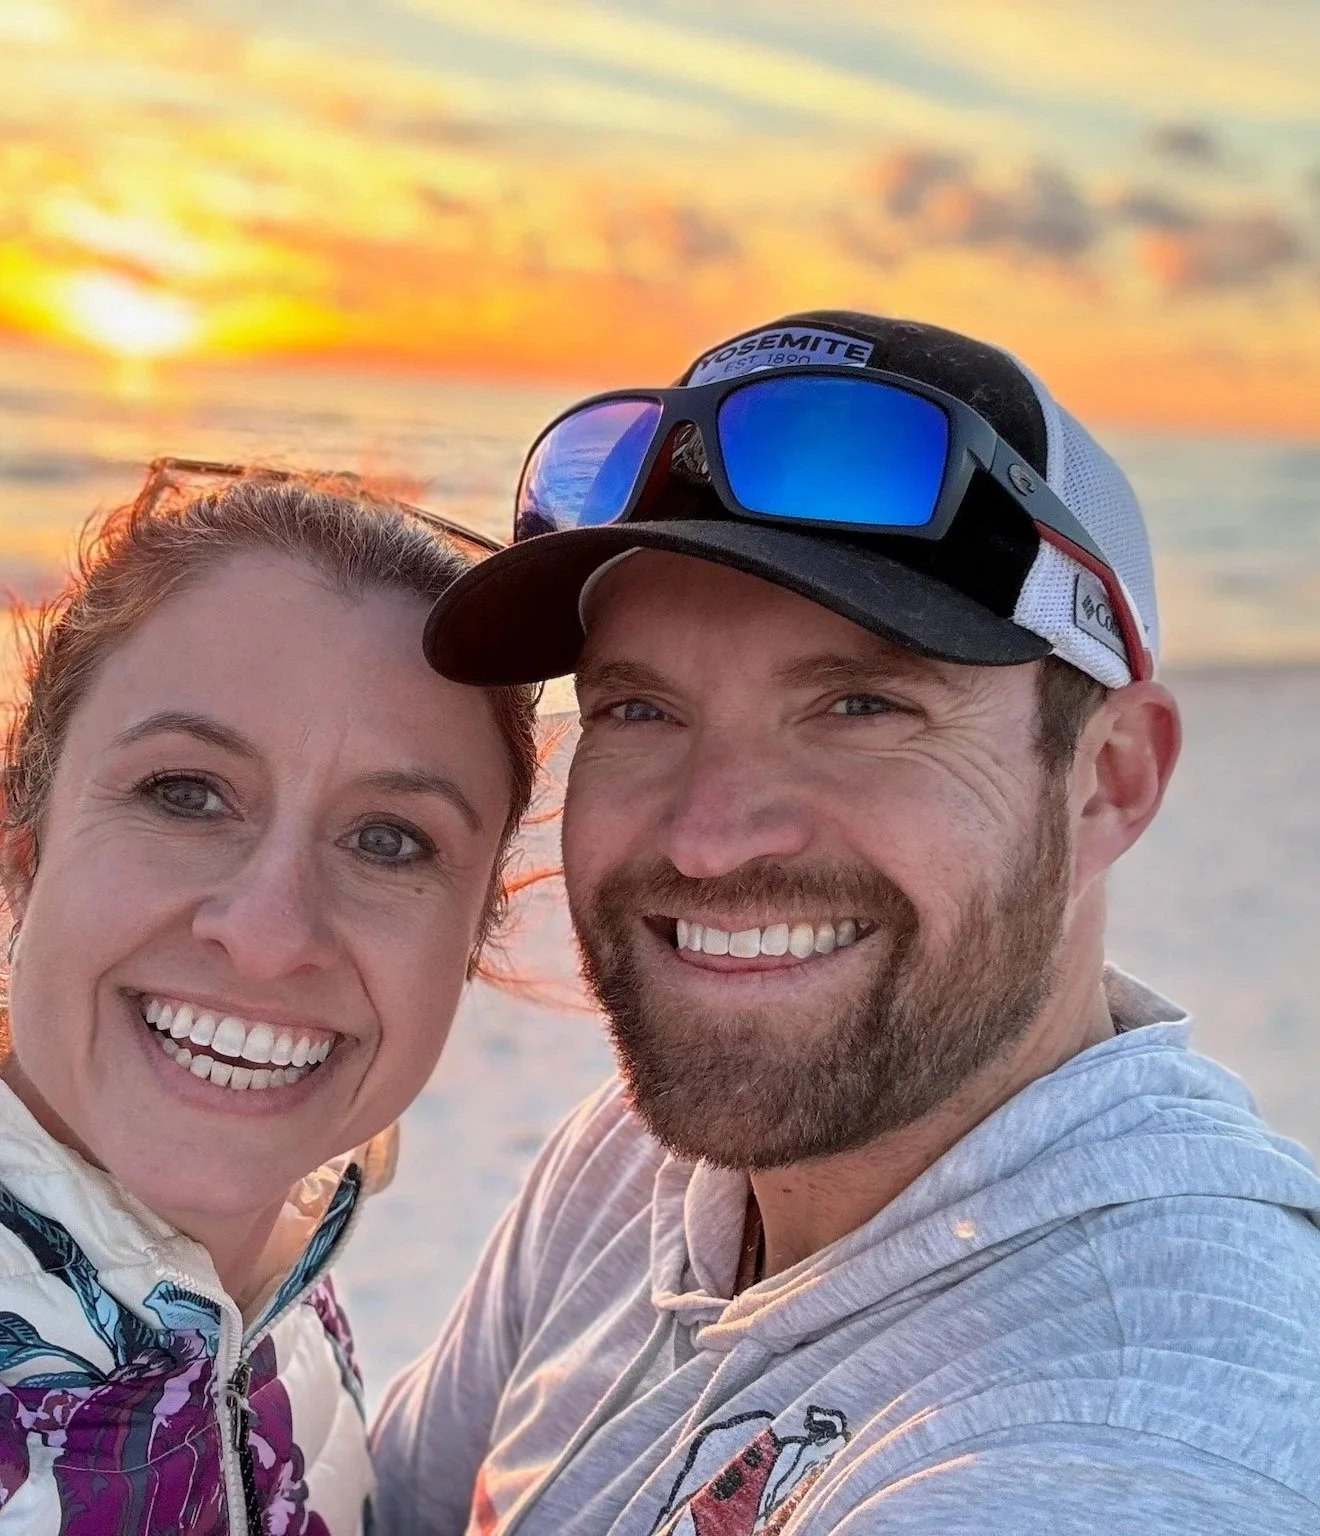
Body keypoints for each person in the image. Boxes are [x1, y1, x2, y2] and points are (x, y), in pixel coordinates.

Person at [373, 311, 1320, 1533]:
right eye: (639, 709)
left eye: (862, 705)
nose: (709, 838)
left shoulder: (1141, 1426)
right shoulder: (635, 1165)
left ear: (1111, 779)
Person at [0, 460, 540, 1534]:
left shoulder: (280, 1275)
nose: (272, 935)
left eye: (389, 840)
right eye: (185, 794)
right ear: (22, 838)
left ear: (472, 936)